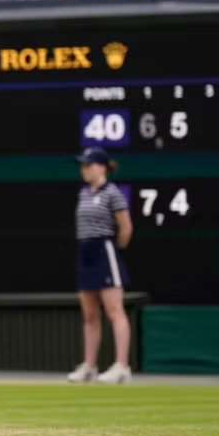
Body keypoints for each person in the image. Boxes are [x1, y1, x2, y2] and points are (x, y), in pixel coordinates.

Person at [68, 147, 134, 385]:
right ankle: (89, 366)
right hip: (85, 253)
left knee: (115, 311)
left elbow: (126, 228)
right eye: (82, 165)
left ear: (101, 167)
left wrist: (114, 251)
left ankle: (122, 366)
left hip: (104, 251)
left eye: (88, 164)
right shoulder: (83, 194)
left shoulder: (113, 193)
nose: (84, 169)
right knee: (90, 314)